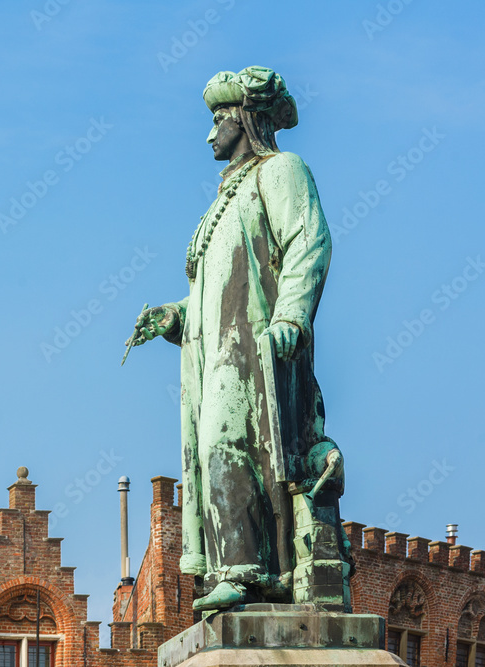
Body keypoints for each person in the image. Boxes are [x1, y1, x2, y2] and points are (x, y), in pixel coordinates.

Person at [127, 67, 339, 611]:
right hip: (213, 354)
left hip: (254, 349)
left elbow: (308, 243)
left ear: (244, 119)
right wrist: (174, 317)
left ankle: (249, 572)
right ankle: (241, 571)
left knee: (230, 444)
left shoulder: (282, 170)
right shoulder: (221, 201)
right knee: (214, 452)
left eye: (218, 119)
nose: (209, 134)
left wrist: (292, 316)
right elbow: (214, 291)